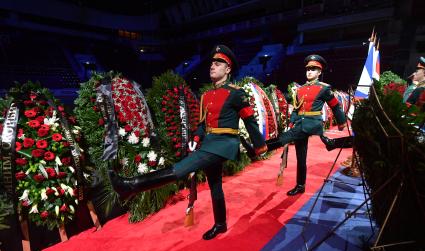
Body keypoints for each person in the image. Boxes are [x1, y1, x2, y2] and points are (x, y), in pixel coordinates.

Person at [109, 44, 267, 240]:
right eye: (212, 62)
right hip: (209, 143)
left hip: (225, 143)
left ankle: (131, 185)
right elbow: (202, 124)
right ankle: (221, 224)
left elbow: (250, 120)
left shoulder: (236, 93)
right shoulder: (207, 95)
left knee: (183, 167)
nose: (212, 66)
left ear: (228, 69)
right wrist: (197, 137)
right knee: (215, 185)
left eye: (218, 63)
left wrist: (259, 145)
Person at [266, 54, 346, 196]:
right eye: (308, 69)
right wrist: (291, 121)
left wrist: (341, 122)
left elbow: (335, 106)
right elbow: (297, 108)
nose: (309, 72)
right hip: (300, 124)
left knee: (286, 138)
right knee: (300, 157)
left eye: (313, 69)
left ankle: (264, 146)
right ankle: (300, 185)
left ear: (319, 72)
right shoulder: (300, 89)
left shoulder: (324, 88)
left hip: (313, 124)